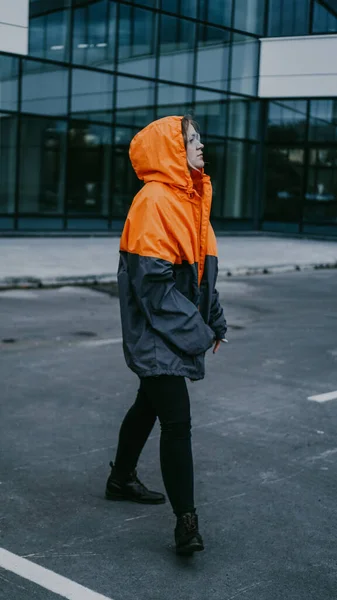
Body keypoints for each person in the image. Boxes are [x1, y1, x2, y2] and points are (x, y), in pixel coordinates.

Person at [105, 115, 227, 555]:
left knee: (147, 405)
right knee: (177, 420)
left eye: (199, 139)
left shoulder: (193, 201)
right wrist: (199, 331)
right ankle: (186, 524)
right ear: (172, 149)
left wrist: (216, 318)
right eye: (192, 140)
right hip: (155, 329)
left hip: (173, 329)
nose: (200, 146)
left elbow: (203, 274)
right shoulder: (153, 201)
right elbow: (154, 287)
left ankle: (120, 478)